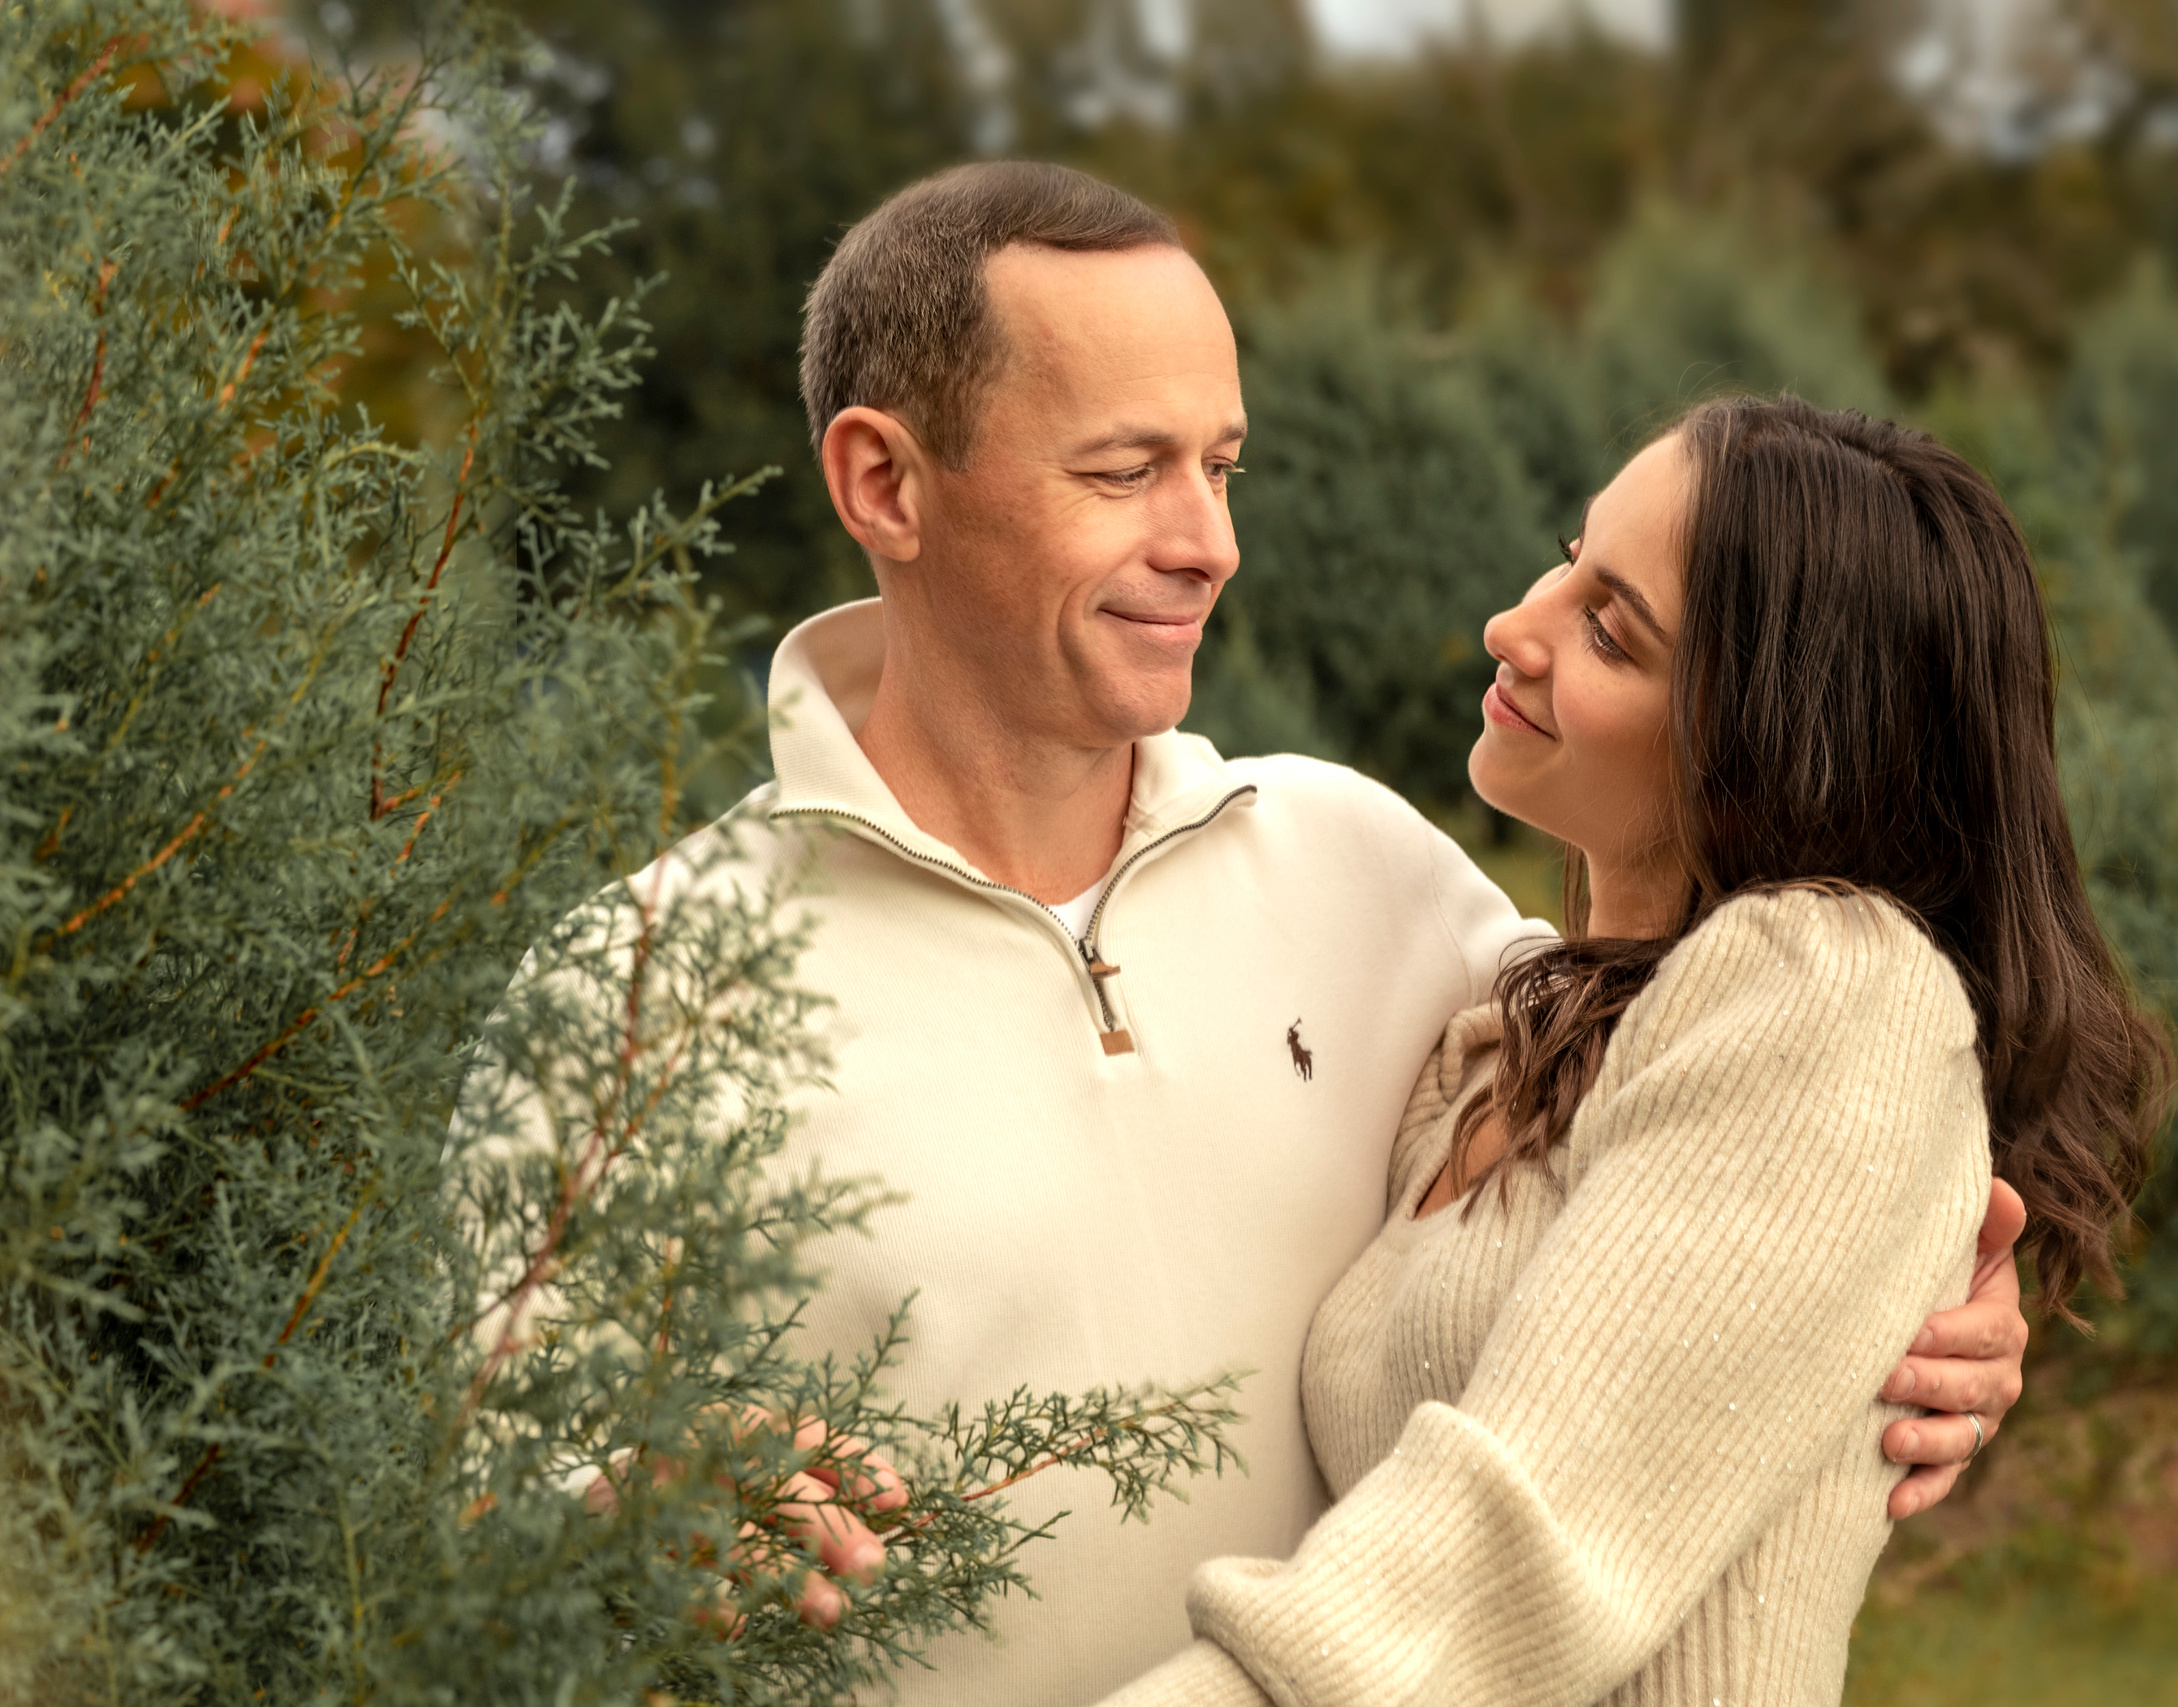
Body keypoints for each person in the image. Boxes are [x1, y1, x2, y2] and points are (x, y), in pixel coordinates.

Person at [575, 163, 2033, 1703]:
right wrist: (608, 1521)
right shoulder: (639, 988)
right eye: (1127, 468)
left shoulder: (1366, 868)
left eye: (1223, 466)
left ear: (1774, 734)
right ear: (885, 485)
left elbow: (1742, 1239)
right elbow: (434, 1516)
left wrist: (1922, 1294)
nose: (1212, 541)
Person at [1091, 397, 2172, 1706]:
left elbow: (1518, 1550)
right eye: (1570, 557)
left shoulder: (1838, 997)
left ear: (1772, 747)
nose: (1515, 626)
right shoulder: (1501, 1041)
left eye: (1611, 629)